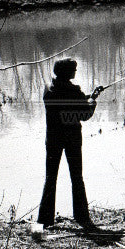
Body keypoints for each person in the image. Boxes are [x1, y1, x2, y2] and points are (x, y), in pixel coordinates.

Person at [37, 58, 104, 228]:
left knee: (50, 178)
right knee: (77, 177)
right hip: (72, 139)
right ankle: (81, 217)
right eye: (73, 69)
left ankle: (45, 220)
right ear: (66, 72)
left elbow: (70, 103)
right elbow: (84, 114)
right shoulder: (74, 91)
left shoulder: (49, 88)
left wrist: (87, 97)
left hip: (52, 138)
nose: (75, 71)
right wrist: (93, 101)